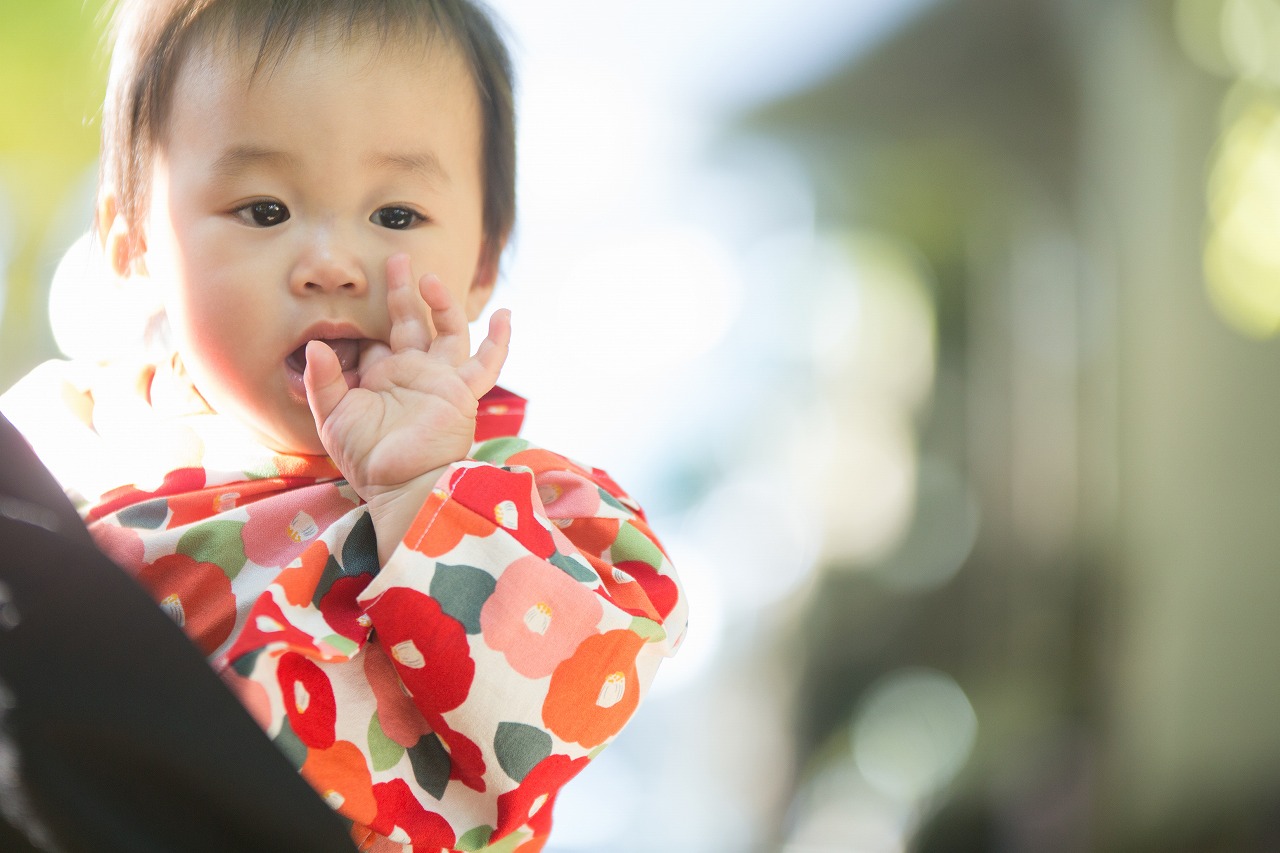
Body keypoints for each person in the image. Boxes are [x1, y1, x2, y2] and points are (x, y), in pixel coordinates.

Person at [0, 0, 687, 850]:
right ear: (133, 239)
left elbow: (576, 708)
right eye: (263, 210)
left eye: (395, 215)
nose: (329, 264)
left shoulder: (525, 497)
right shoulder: (70, 434)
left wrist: (421, 495)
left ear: (481, 261)